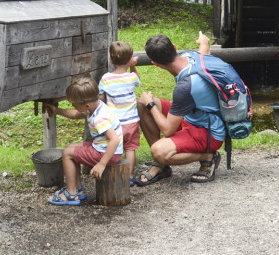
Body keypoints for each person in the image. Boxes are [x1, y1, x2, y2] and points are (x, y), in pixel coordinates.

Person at [135, 30, 223, 186]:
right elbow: (204, 53)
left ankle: (207, 156)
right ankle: (161, 164)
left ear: (155, 64)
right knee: (141, 104)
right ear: (174, 47)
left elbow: (168, 130)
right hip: (192, 116)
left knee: (158, 150)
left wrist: (151, 104)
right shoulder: (192, 56)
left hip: (208, 131)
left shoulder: (185, 88)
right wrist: (203, 42)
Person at [43, 75, 123, 206]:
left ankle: (71, 193)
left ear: (86, 105)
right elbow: (75, 114)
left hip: (107, 153)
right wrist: (57, 110)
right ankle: (77, 189)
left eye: (74, 104)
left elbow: (114, 140)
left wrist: (101, 164)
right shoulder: (95, 106)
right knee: (70, 148)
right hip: (102, 147)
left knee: (67, 154)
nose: (73, 106)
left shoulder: (99, 118)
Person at [99, 40, 142, 184]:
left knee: (113, 147)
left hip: (114, 123)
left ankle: (112, 174)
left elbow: (100, 97)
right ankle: (129, 176)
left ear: (111, 59)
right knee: (130, 149)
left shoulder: (106, 79)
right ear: (130, 60)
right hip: (131, 121)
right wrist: (133, 67)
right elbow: (138, 81)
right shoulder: (131, 77)